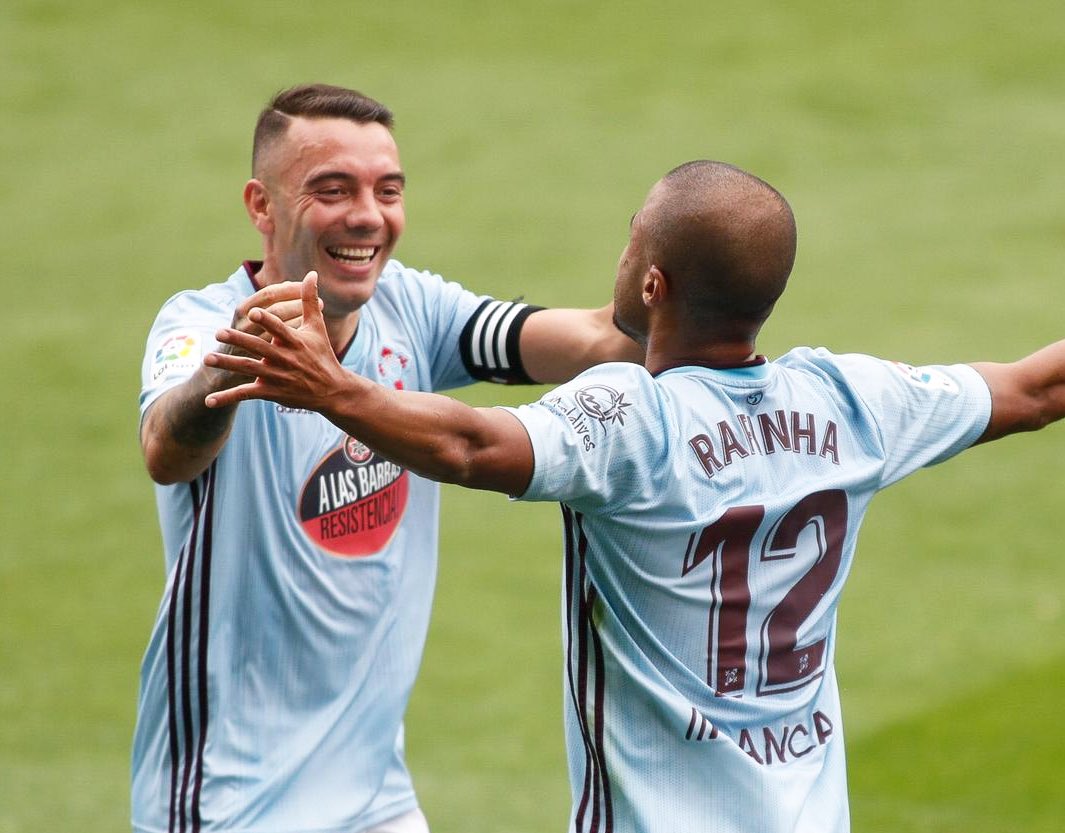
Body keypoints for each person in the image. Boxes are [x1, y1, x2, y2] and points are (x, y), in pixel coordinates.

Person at [203, 158, 1065, 833]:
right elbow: (1034, 390)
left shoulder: (629, 420)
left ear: (652, 284)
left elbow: (469, 444)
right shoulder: (851, 399)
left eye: (629, 245)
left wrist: (333, 388)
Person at [134, 83, 641, 833]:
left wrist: (672, 283)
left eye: (388, 190)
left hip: (377, 799)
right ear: (261, 206)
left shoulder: (409, 308)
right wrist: (228, 370)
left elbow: (597, 343)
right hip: (230, 801)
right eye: (333, 190)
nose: (368, 215)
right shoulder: (203, 326)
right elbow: (166, 450)